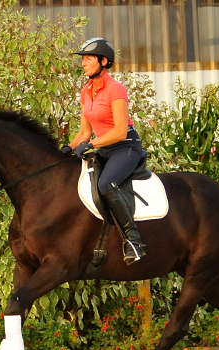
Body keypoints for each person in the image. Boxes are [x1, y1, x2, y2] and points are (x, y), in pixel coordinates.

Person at [61, 37, 146, 265]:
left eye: (88, 59)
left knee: (105, 184)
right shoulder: (86, 92)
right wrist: (66, 149)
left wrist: (90, 145)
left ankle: (133, 242)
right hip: (104, 149)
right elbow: (84, 132)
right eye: (83, 59)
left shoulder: (115, 89)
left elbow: (119, 131)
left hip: (125, 147)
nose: (83, 64)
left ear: (104, 61)